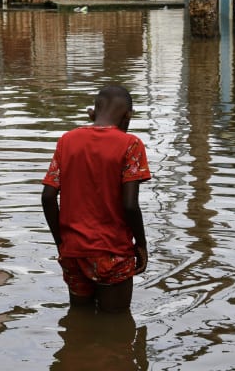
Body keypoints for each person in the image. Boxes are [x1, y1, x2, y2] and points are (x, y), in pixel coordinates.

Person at [41, 85, 151, 312]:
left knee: (79, 320)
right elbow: (130, 205)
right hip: (113, 253)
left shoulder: (67, 141)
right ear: (128, 115)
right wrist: (141, 245)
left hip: (73, 253)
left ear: (92, 112)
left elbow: (48, 197)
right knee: (117, 327)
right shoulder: (131, 145)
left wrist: (61, 243)